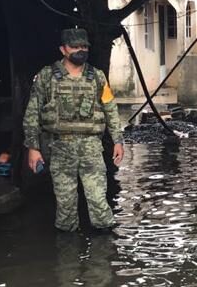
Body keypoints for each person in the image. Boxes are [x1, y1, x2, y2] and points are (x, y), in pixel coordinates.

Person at [23, 28, 124, 233]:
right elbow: (32, 113)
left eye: (84, 46)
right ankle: (67, 258)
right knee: (65, 206)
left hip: (91, 147)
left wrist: (118, 140)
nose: (80, 50)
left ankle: (103, 257)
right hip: (60, 147)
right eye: (75, 47)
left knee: (98, 201)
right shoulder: (46, 76)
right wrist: (33, 148)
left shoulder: (97, 77)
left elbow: (110, 109)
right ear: (63, 49)